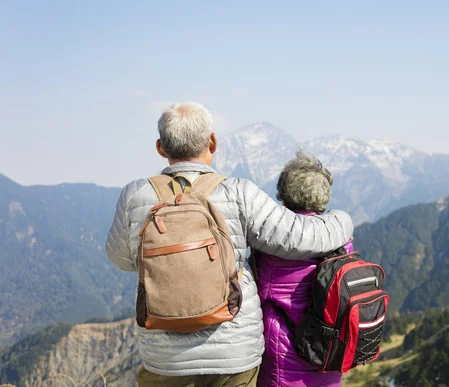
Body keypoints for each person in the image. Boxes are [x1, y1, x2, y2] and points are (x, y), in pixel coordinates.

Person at [105, 102, 354, 387]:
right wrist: (342, 219)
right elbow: (301, 237)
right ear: (212, 142)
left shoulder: (135, 196)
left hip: (164, 356)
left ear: (161, 148)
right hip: (233, 351)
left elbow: (121, 258)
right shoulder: (238, 193)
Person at [254, 151, 350, 387]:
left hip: (285, 361)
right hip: (329, 354)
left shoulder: (271, 246)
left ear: (284, 195)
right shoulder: (343, 242)